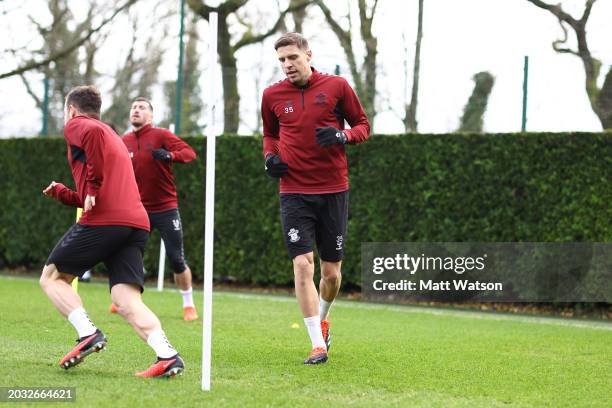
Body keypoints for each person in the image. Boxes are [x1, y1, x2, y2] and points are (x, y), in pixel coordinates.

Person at [41, 85, 184, 378]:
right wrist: (63, 193)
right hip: (135, 223)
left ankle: (87, 333)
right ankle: (168, 356)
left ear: (71, 110)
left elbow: (94, 185)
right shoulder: (115, 139)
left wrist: (91, 186)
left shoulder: (81, 126)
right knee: (125, 299)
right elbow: (94, 191)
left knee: (53, 277)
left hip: (106, 220)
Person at [261, 33, 370, 364]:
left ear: (308, 54)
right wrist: (270, 158)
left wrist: (342, 135)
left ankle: (324, 317)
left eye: (292, 57)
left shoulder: (336, 87)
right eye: (281, 60)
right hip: (293, 191)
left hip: (333, 190)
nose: (287, 65)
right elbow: (270, 135)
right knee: (301, 264)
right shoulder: (272, 95)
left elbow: (363, 126)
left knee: (332, 273)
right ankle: (316, 344)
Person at [117, 97, 198, 321]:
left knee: (176, 258)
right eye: (133, 107)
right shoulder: (124, 141)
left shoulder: (161, 136)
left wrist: (171, 155)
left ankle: (188, 305)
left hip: (165, 208)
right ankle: (124, 299)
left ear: (151, 116)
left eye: (142, 107)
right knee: (126, 255)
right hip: (136, 209)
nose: (136, 110)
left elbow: (189, 154)